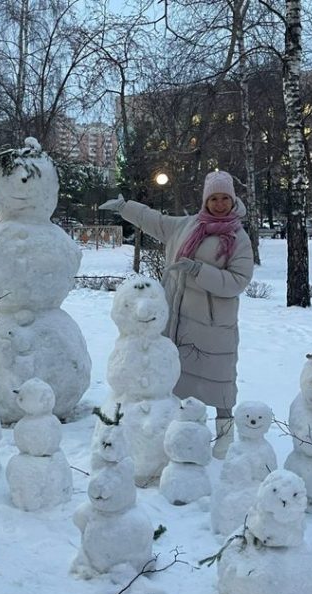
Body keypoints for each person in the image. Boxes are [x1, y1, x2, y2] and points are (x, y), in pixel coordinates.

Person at [99, 170, 254, 457]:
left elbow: (238, 281)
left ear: (232, 200)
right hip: (177, 319)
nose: (219, 204)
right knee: (178, 380)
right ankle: (183, 434)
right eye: (214, 198)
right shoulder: (187, 225)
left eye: (224, 199)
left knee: (219, 380)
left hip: (214, 324)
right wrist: (125, 207)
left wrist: (199, 270)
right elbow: (154, 220)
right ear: (206, 200)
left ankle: (224, 436)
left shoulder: (237, 237)